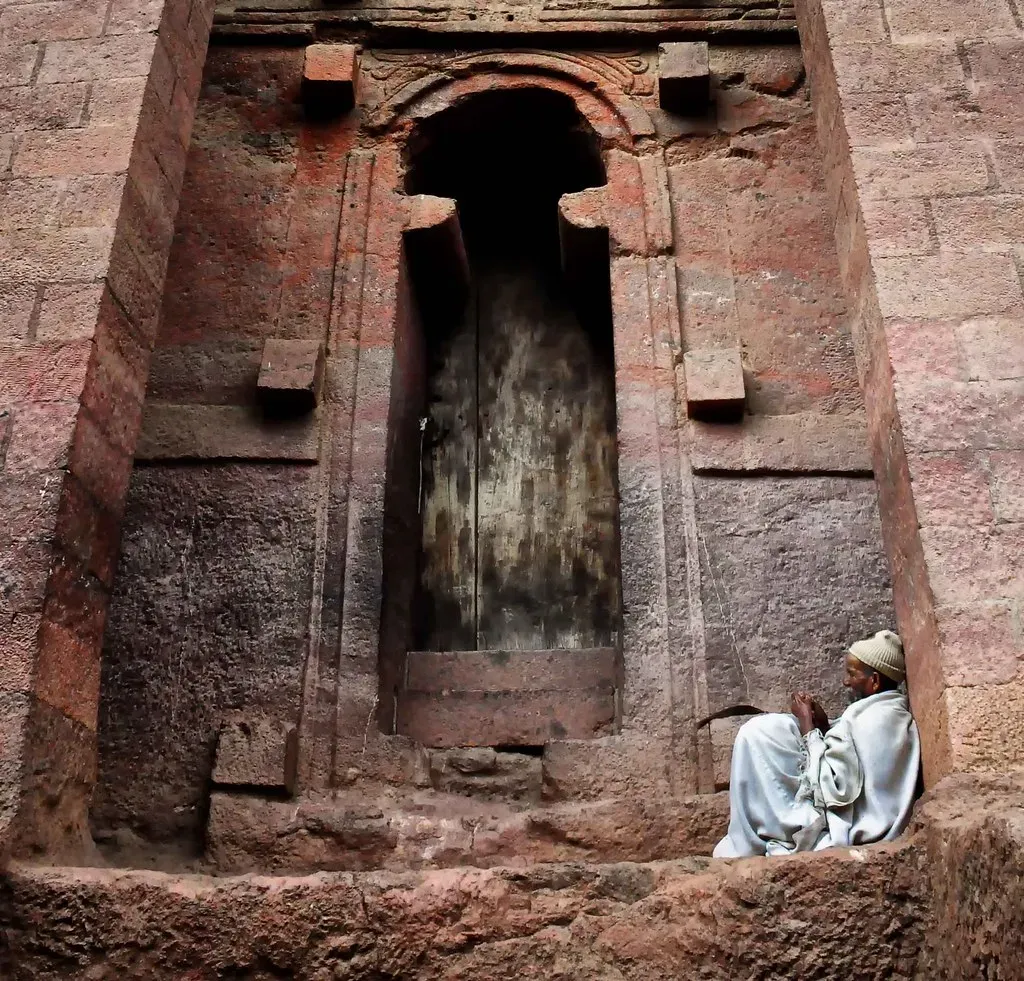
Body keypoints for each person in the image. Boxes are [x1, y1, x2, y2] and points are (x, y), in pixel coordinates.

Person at [713, 629, 921, 858]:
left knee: (754, 738)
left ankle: (763, 832)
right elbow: (850, 759)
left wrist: (807, 727)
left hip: (847, 821)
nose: (845, 682)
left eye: (852, 674)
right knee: (763, 731)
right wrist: (824, 726)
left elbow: (836, 790)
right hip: (843, 809)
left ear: (874, 681)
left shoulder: (877, 722)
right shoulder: (879, 713)